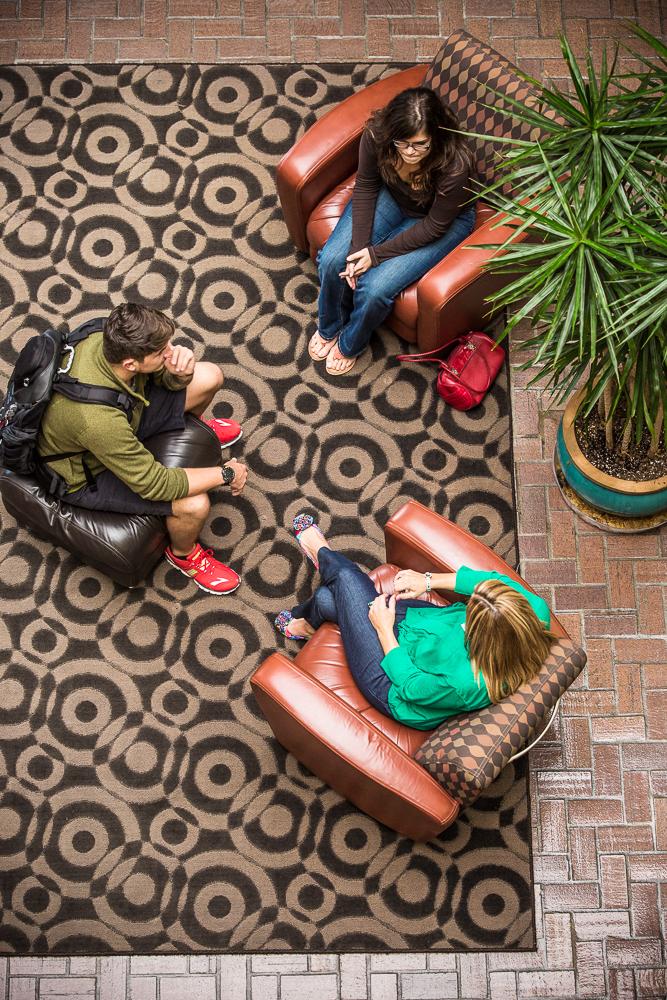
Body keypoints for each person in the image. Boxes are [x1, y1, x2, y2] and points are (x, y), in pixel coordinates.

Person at [37, 303, 248, 595]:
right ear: (130, 364)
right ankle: (184, 555)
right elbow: (154, 484)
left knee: (208, 375)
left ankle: (192, 428)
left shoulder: (108, 333)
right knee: (194, 505)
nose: (172, 352)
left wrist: (179, 374)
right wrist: (226, 473)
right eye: (163, 352)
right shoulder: (96, 421)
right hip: (86, 474)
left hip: (123, 416)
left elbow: (153, 379)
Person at [274, 514, 556, 729]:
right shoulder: (536, 611)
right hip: (423, 626)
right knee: (327, 599)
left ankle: (319, 550)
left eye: (469, 618)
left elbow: (412, 686)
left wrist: (385, 631)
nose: (466, 610)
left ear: (481, 637)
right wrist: (427, 581)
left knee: (345, 580)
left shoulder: (466, 682)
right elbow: (486, 582)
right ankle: (311, 623)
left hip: (396, 682)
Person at [309, 87, 477, 376]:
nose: (410, 153)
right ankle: (330, 326)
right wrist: (356, 248)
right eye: (403, 143)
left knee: (375, 289)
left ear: (436, 135)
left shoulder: (455, 164)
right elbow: (366, 186)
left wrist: (375, 255)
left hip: (441, 220)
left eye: (420, 144)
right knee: (333, 259)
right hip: (395, 195)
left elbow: (434, 226)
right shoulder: (376, 136)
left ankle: (350, 343)